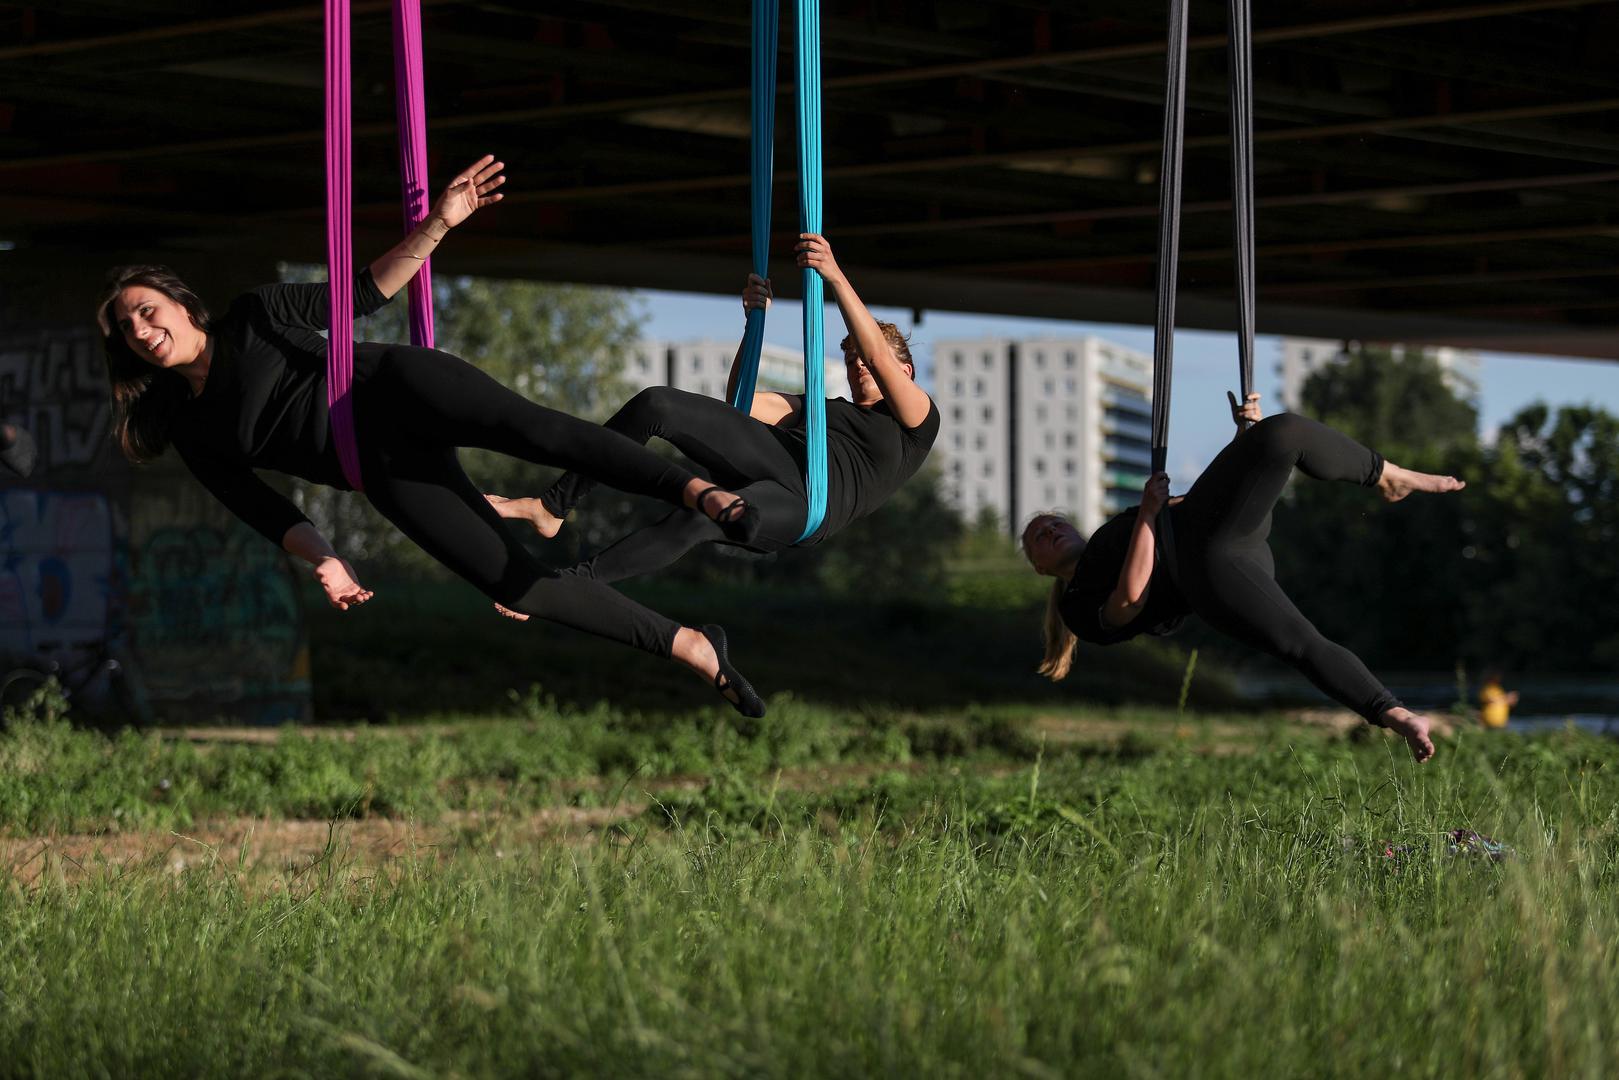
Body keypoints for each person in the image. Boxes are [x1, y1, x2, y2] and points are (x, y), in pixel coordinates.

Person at [97, 155, 767, 716]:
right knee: (516, 586)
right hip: (382, 471)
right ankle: (693, 647)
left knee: (541, 434)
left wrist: (438, 225)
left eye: (146, 311)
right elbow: (263, 508)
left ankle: (701, 493)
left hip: (397, 390)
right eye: (128, 330)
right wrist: (325, 558)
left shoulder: (253, 315)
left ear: (184, 306)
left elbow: (363, 294)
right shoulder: (192, 427)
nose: (142, 330)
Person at [1022, 394, 1465, 763]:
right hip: (1206, 573)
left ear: (1074, 527)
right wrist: (1148, 516)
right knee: (1302, 643)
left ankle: (1390, 477)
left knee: (1281, 433)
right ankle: (1397, 715)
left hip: (1219, 529)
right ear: (1040, 567)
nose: (1050, 529)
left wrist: (1242, 442)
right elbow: (1132, 598)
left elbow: (1205, 499)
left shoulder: (1108, 533)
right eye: (1038, 537)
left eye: (1053, 523)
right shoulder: (1077, 605)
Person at [484, 233, 939, 586]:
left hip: (808, 503)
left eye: (867, 355)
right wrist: (752, 325)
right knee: (655, 402)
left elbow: (880, 357)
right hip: (781, 456)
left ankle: (571, 584)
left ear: (909, 369)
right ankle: (552, 506)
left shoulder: (915, 423)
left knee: (699, 516)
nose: (860, 362)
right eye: (851, 356)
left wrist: (835, 276)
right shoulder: (823, 414)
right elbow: (741, 404)